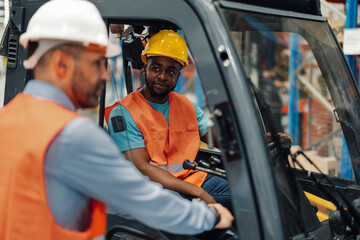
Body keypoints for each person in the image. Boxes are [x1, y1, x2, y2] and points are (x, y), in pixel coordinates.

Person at [0, 1, 233, 239]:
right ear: (61, 63)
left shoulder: (6, 119)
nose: (104, 75)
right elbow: (138, 200)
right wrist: (209, 216)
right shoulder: (72, 134)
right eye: (98, 64)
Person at [106, 30, 232, 210]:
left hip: (190, 181)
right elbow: (142, 168)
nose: (163, 76)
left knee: (247, 192)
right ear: (145, 67)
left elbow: (222, 139)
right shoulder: (123, 113)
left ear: (179, 74)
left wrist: (258, 140)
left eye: (170, 71)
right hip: (152, 191)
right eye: (156, 68)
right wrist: (199, 193)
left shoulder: (187, 106)